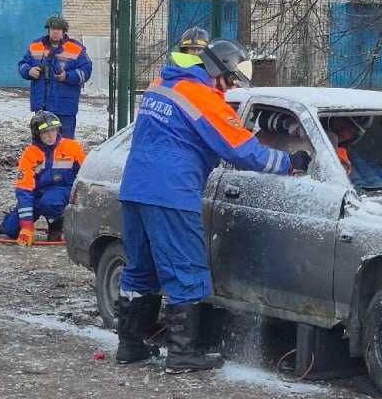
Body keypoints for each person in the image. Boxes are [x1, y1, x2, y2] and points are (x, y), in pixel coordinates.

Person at [115, 37, 309, 372]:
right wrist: (290, 163)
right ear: (219, 68)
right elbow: (242, 150)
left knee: (140, 269)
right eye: (232, 78)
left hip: (135, 187)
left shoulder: (161, 85)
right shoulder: (202, 98)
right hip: (172, 192)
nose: (231, 86)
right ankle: (182, 353)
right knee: (186, 268)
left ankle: (130, 344)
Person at [0, 110, 87, 246]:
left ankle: (57, 227)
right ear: (37, 134)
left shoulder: (73, 148)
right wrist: (26, 226)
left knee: (50, 202)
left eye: (53, 130)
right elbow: (24, 189)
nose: (51, 135)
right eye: (45, 132)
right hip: (37, 196)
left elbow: (85, 179)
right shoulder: (30, 154)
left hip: (61, 192)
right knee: (10, 230)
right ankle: (12, 221)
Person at [18, 14, 92, 139]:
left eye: (58, 29)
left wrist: (67, 76)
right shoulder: (36, 45)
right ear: (48, 30)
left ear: (64, 31)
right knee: (41, 141)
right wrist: (29, 71)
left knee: (64, 142)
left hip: (64, 106)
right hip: (42, 105)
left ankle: (62, 160)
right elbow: (22, 64)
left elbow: (86, 71)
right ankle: (43, 159)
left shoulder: (76, 48)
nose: (55, 32)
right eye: (52, 29)